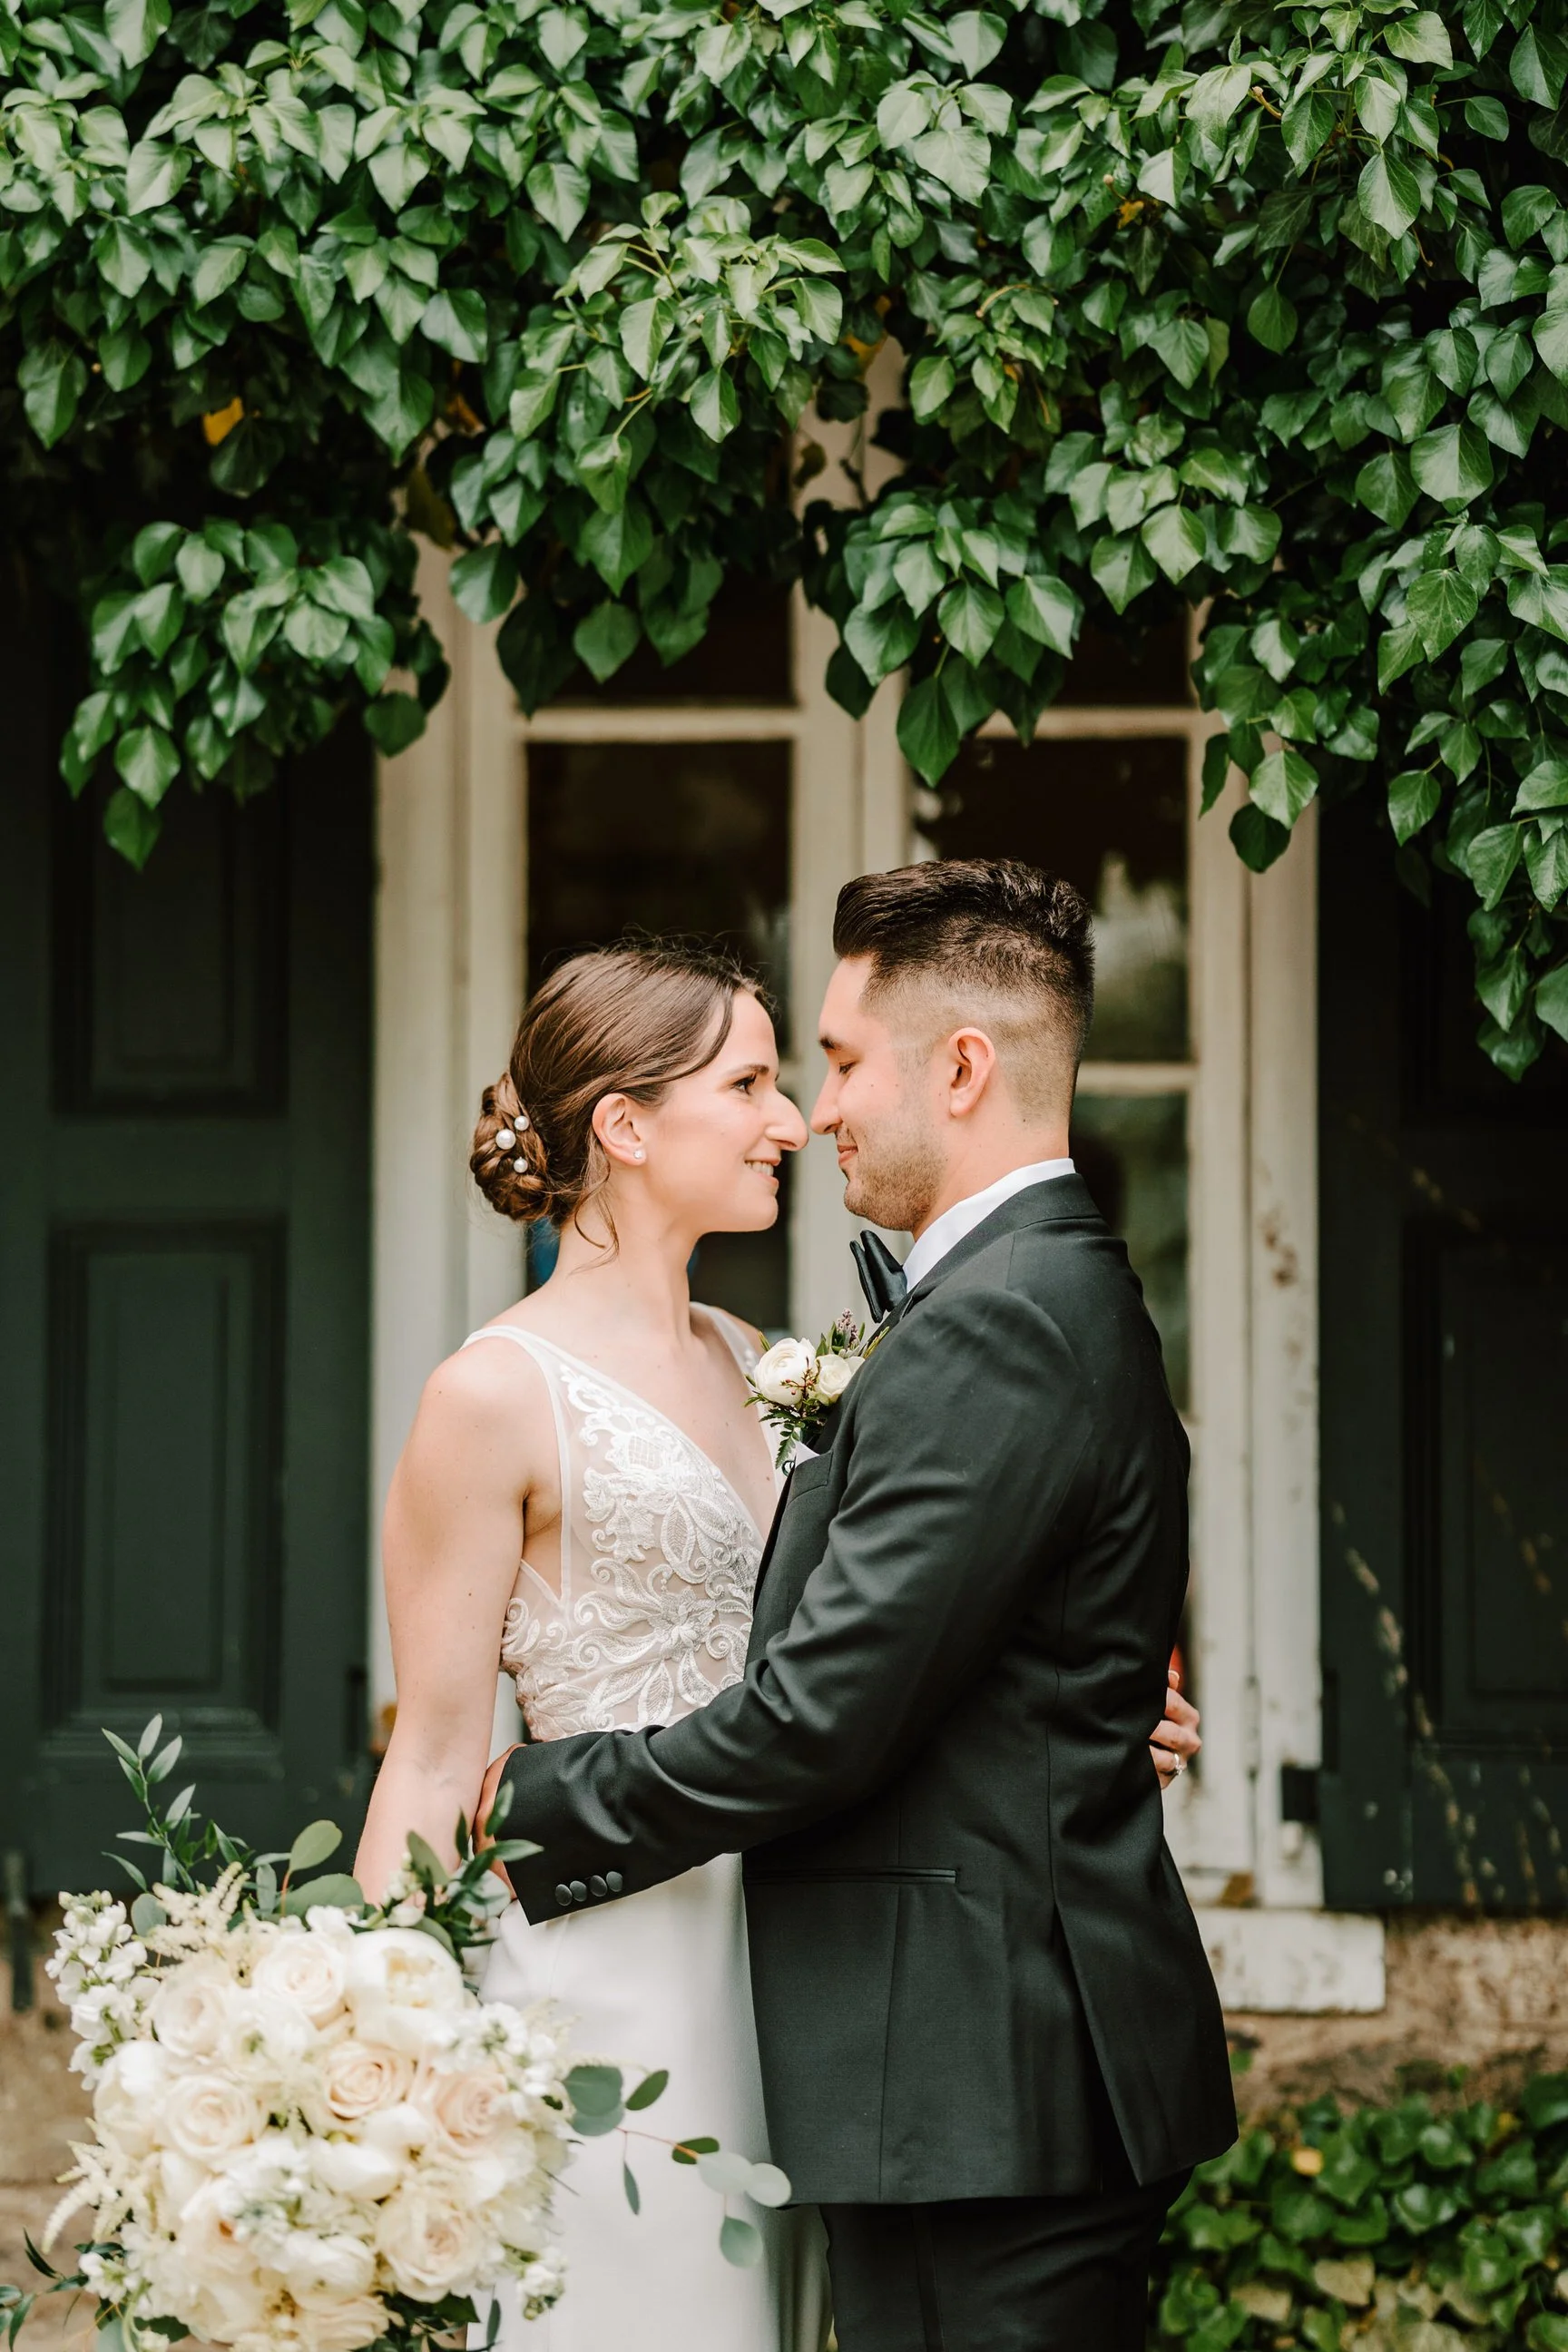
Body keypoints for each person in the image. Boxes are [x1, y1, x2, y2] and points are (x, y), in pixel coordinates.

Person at [354, 919, 1205, 2352]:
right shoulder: (488, 1396)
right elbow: (436, 1763)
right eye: (749, 1086)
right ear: (625, 1124)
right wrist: (366, 2054)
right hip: (606, 1971)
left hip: (803, 1983)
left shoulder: (769, 1370)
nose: (793, 1121)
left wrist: (1069, 1708)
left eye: (795, 1075)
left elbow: (879, 1648)